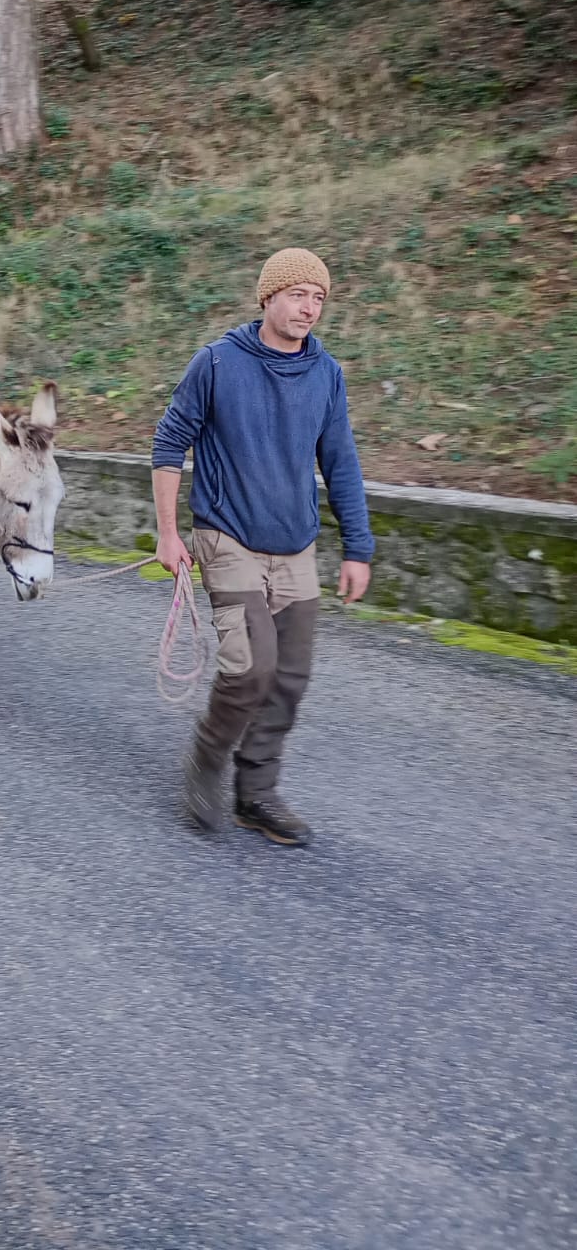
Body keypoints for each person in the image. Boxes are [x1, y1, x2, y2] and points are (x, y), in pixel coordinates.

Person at [151, 247, 374, 848]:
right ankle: (206, 759)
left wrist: (359, 547)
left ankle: (257, 793)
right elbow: (169, 442)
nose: (309, 308)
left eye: (319, 298)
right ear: (268, 297)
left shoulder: (326, 375)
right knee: (251, 669)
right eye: (298, 294)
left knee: (290, 676)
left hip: (295, 543)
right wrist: (170, 534)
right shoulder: (219, 363)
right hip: (226, 534)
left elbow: (341, 463)